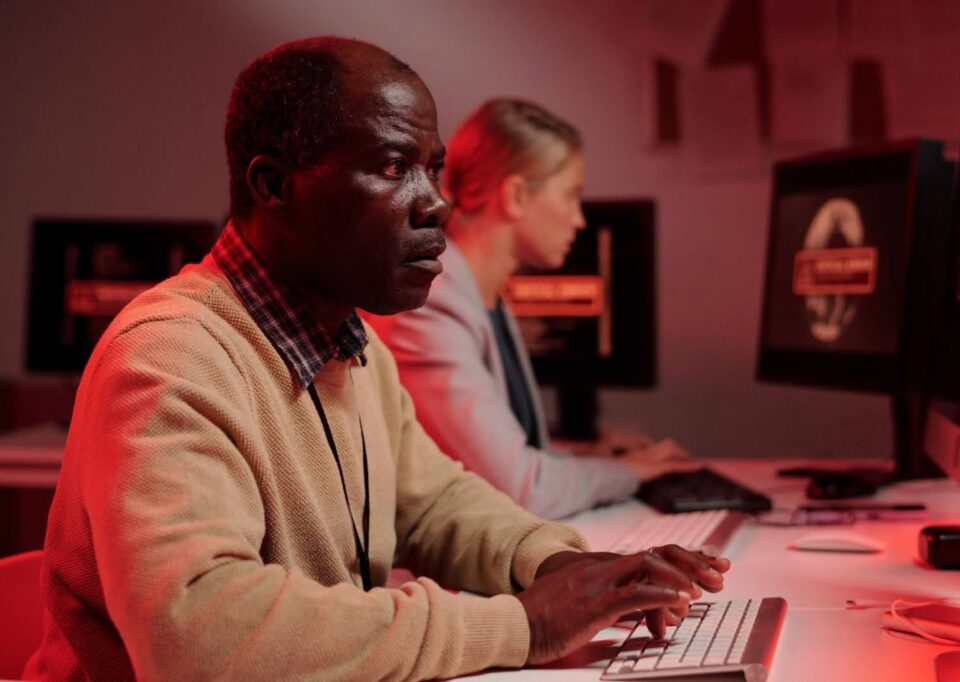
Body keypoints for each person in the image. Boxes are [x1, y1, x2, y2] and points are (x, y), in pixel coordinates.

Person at [24, 38, 729, 681]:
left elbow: (433, 505)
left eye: (433, 169)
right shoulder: (171, 356)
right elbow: (197, 636)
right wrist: (524, 625)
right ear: (274, 186)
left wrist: (562, 566)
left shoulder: (350, 345)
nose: (437, 204)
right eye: (394, 168)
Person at [370, 99, 694, 519]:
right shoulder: (430, 303)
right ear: (517, 196)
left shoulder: (483, 295)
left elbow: (504, 463)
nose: (579, 220)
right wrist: (629, 472)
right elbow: (522, 490)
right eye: (571, 196)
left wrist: (583, 459)